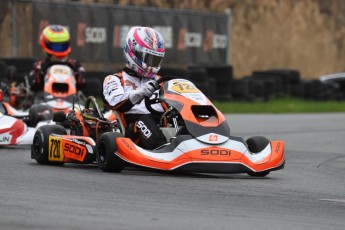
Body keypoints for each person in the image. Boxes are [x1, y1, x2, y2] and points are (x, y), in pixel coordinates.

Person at [102, 26, 167, 150]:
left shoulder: (162, 82)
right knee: (144, 121)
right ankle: (163, 150)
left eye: (155, 60)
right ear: (134, 52)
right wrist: (141, 93)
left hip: (160, 126)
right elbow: (115, 101)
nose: (151, 65)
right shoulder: (115, 79)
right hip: (132, 131)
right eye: (148, 59)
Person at [29, 24, 85, 92]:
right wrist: (40, 75)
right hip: (44, 99)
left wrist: (78, 76)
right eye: (56, 47)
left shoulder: (75, 65)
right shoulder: (40, 66)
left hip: (71, 99)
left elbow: (83, 84)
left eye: (63, 46)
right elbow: (32, 84)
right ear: (45, 44)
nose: (59, 49)